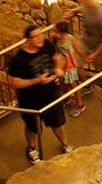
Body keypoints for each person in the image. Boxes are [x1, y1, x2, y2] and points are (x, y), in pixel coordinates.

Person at [8, 25, 72, 164]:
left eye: (41, 34)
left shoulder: (47, 45)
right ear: (28, 40)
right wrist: (37, 80)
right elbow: (14, 83)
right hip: (30, 99)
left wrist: (58, 69)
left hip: (51, 93)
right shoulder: (19, 59)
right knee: (33, 126)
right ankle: (31, 148)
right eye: (36, 36)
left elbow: (57, 58)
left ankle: (65, 143)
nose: (40, 38)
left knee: (58, 122)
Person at [68, 0, 102, 97]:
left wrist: (96, 53)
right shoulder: (84, 6)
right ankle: (87, 86)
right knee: (75, 63)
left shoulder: (99, 13)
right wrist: (73, 12)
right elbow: (82, 9)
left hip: (98, 46)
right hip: (85, 42)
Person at [54, 22, 85, 117]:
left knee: (73, 84)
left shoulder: (70, 38)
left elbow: (78, 50)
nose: (54, 33)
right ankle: (67, 98)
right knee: (63, 82)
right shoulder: (55, 38)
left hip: (70, 64)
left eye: (56, 31)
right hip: (62, 63)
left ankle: (80, 104)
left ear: (62, 33)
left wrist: (85, 58)